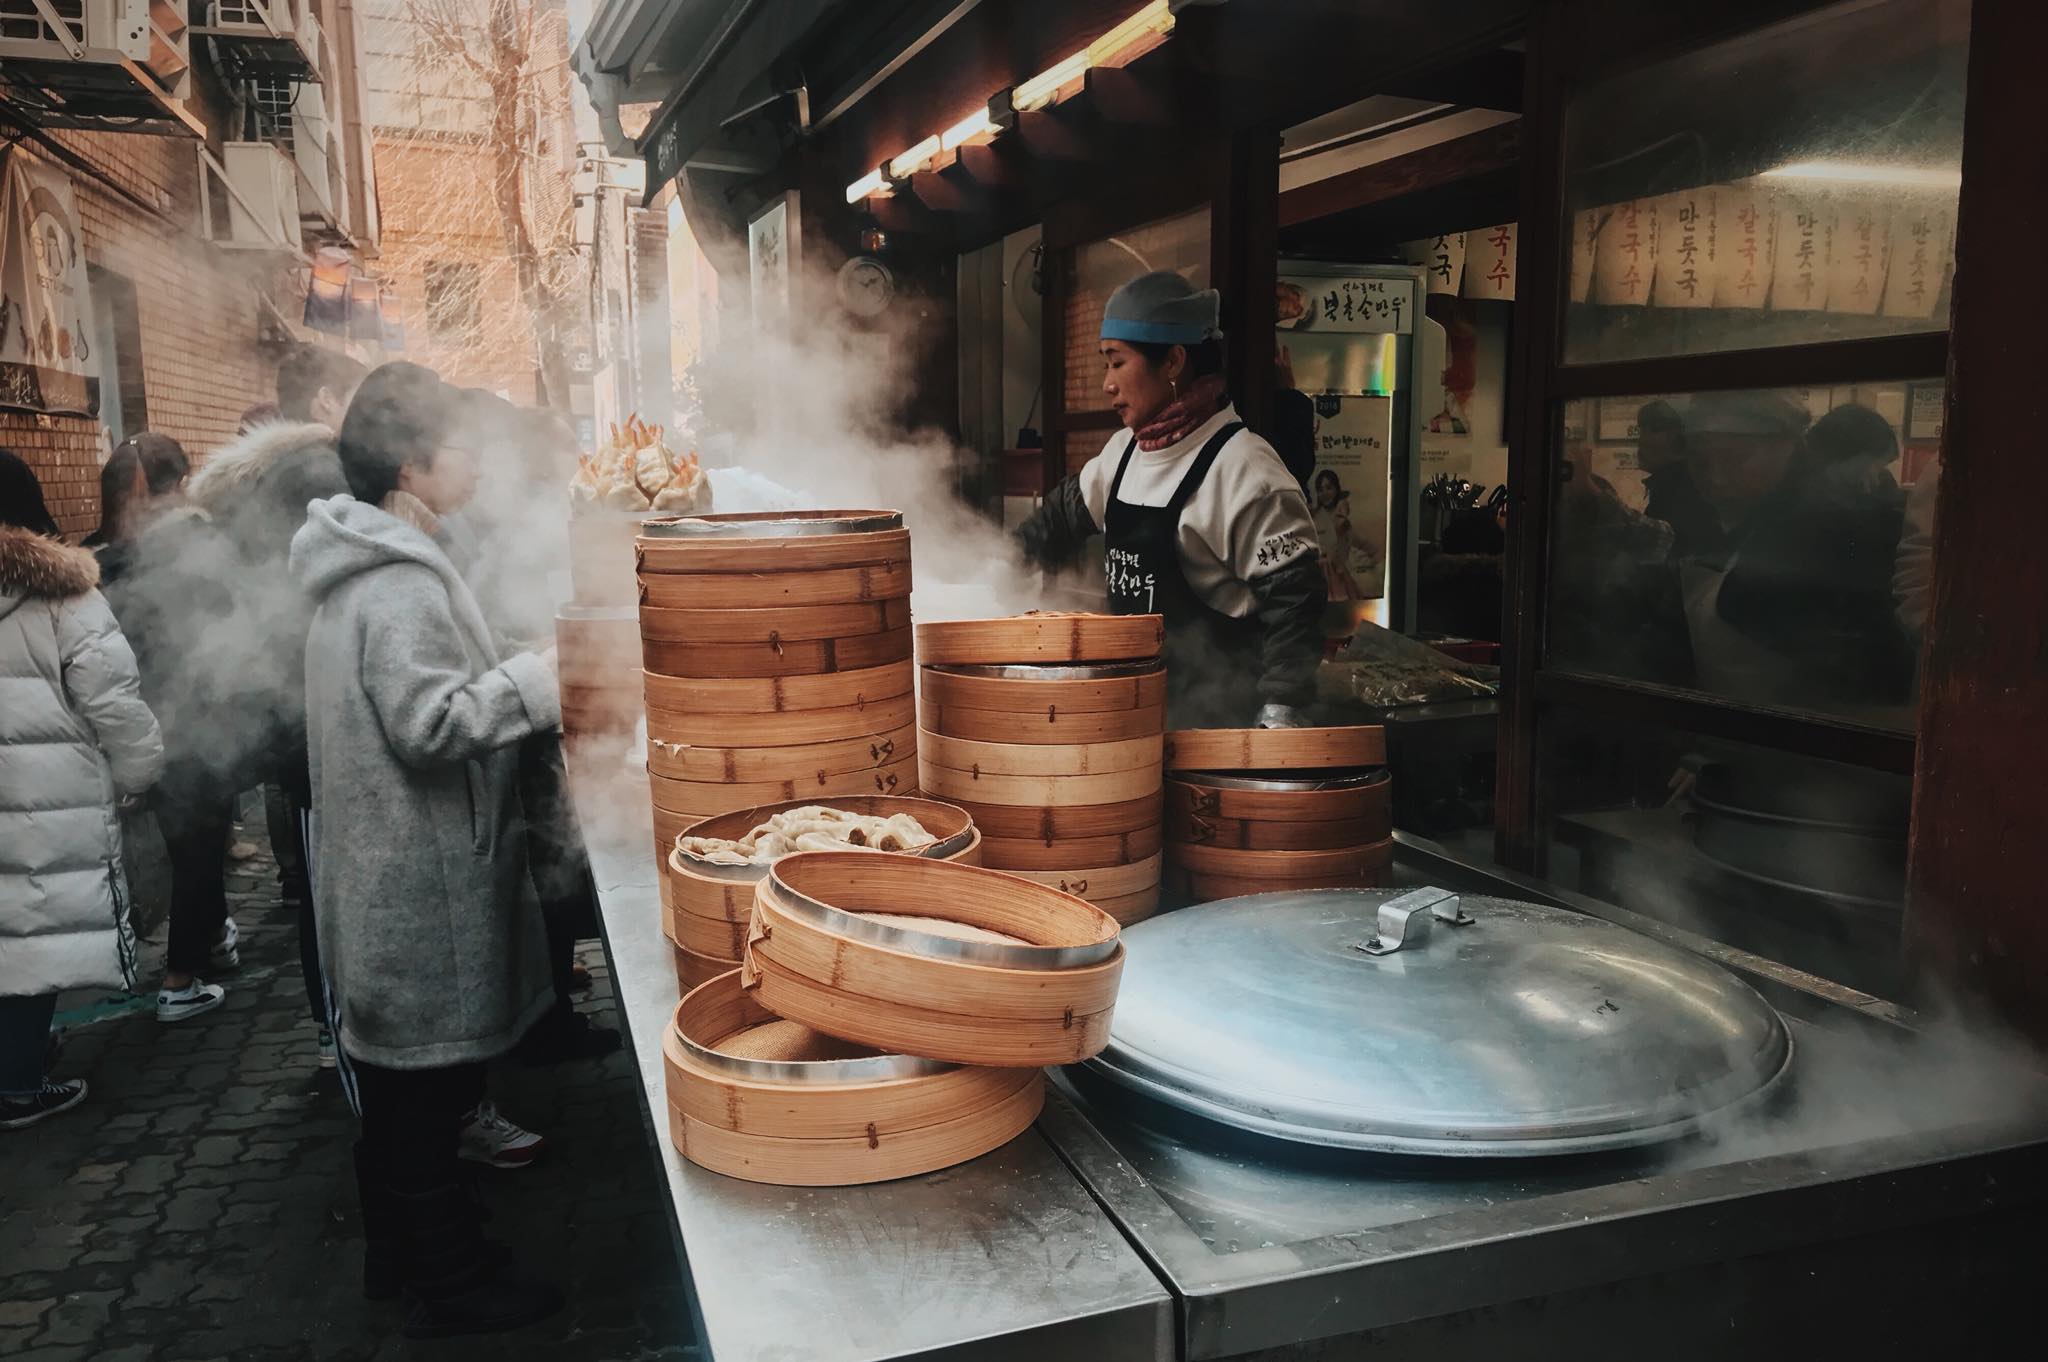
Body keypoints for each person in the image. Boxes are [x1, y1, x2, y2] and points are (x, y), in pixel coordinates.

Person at [292, 361, 563, 1335]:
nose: (480, 466)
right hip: (412, 885)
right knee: (420, 1104)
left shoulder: (378, 561)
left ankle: (400, 1261)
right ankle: (450, 1285)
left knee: (409, 1101)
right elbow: (428, 724)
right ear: (413, 463)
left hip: (395, 872)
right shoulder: (394, 583)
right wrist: (541, 677)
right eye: (461, 448)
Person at [1016, 270, 1328, 728]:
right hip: (1134, 721)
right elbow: (1058, 520)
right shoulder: (1124, 454)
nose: (1107, 383)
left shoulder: (1244, 469)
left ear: (1173, 362)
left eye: (1117, 362)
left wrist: (1280, 713)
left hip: (1218, 731)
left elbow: (1296, 606)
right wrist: (989, 569)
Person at [186, 349, 365, 1068]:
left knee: (324, 880)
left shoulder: (267, 474)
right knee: (333, 885)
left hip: (293, 703)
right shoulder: (318, 474)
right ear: (325, 400)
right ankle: (339, 1031)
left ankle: (331, 1027)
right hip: (314, 704)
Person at [1, 450, 165, 1129]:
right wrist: (139, 773)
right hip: (44, 802)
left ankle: (18, 1057)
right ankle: (17, 1082)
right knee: (31, 934)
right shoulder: (63, 592)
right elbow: (115, 701)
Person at [93, 434, 251, 1024]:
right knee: (199, 850)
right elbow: (232, 616)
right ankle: (180, 981)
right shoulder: (195, 543)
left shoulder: (100, 559)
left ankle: (212, 941)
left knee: (191, 843)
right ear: (179, 483)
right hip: (198, 718)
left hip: (139, 724)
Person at [1679, 393, 1913, 711]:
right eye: (1699, 462)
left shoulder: (1826, 528)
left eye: (1736, 459)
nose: (1715, 477)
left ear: (1787, 446)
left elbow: (1876, 674)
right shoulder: (1727, 516)